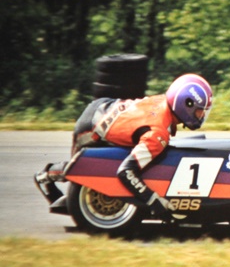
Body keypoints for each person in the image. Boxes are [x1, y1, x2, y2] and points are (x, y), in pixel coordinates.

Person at [36, 73, 213, 220]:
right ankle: (46, 175)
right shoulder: (158, 133)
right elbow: (126, 171)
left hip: (104, 107)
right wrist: (153, 201)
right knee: (85, 170)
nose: (202, 115)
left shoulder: (163, 102)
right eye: (199, 110)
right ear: (185, 104)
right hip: (91, 127)